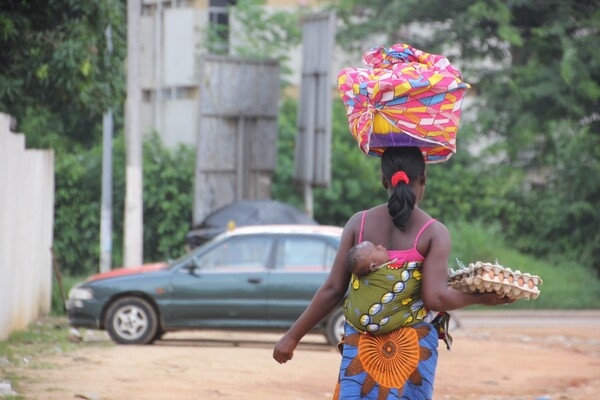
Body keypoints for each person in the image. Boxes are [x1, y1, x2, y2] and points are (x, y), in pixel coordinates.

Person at [272, 146, 515, 399]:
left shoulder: (359, 223)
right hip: (412, 350)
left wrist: (292, 337)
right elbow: (436, 299)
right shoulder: (434, 232)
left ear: (384, 180)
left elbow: (333, 289)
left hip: (363, 347)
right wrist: (481, 298)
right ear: (423, 178)